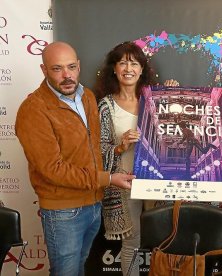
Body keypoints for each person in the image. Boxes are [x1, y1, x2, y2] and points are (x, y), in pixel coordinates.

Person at [15, 41, 135, 276]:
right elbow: (52, 169)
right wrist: (108, 178)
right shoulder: (33, 110)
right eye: (57, 69)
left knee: (78, 267)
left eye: (71, 67)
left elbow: (94, 148)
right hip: (63, 212)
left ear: (79, 66)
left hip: (93, 204)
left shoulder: (87, 96)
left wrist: (118, 152)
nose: (67, 75)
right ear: (44, 70)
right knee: (65, 272)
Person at [94, 41, 178, 275]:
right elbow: (98, 151)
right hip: (125, 184)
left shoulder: (155, 99)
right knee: (132, 241)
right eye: (122, 63)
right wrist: (120, 147)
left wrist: (172, 96)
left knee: (163, 239)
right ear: (114, 69)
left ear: (142, 69)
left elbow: (177, 134)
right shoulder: (105, 106)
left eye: (134, 63)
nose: (128, 68)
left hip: (157, 181)